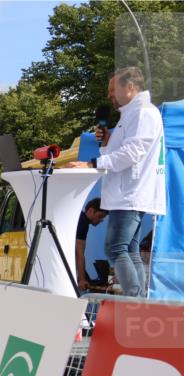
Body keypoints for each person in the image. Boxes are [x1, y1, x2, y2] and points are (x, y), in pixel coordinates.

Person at [70, 66, 166, 297]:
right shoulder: (132, 114)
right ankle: (138, 299)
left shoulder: (143, 113)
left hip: (130, 194)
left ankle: (134, 300)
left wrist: (94, 163)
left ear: (130, 88)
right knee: (129, 249)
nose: (109, 95)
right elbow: (126, 150)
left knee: (115, 248)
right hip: (128, 194)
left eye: (113, 89)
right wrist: (107, 142)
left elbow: (132, 153)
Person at [74, 198, 108, 292]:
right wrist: (82, 279)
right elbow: (79, 252)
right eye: (100, 216)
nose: (101, 220)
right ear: (90, 210)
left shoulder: (80, 218)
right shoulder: (83, 222)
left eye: (103, 218)